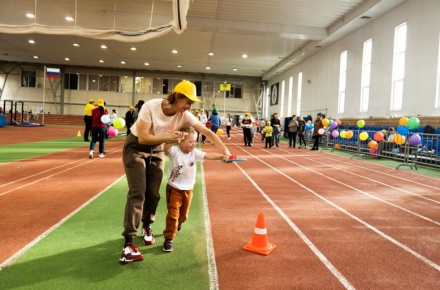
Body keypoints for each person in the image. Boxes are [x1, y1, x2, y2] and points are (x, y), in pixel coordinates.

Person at [119, 80, 231, 264]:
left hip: (157, 150)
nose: (189, 106)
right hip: (136, 147)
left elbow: (206, 131)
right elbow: (143, 137)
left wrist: (224, 150)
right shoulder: (151, 106)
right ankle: (128, 243)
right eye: (188, 102)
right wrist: (168, 137)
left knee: (153, 194)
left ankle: (147, 225)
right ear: (177, 96)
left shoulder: (184, 115)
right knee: (138, 191)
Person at [162, 125, 228, 252]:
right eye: (190, 141)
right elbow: (166, 148)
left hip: (188, 189)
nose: (193, 144)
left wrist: (221, 156)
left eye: (195, 141)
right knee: (173, 213)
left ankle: (179, 223)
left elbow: (208, 155)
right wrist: (173, 139)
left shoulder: (194, 153)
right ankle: (169, 238)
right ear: (181, 141)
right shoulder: (175, 151)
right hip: (174, 188)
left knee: (184, 216)